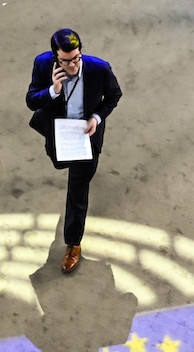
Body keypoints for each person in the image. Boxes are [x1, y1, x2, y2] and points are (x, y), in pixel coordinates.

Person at [26, 29, 122, 273]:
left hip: (86, 135)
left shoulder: (99, 68)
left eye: (76, 58)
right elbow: (31, 101)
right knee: (60, 163)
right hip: (59, 132)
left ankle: (73, 243)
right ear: (55, 58)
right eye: (66, 61)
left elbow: (114, 95)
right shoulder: (42, 64)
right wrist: (53, 90)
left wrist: (96, 118)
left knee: (78, 188)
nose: (72, 65)